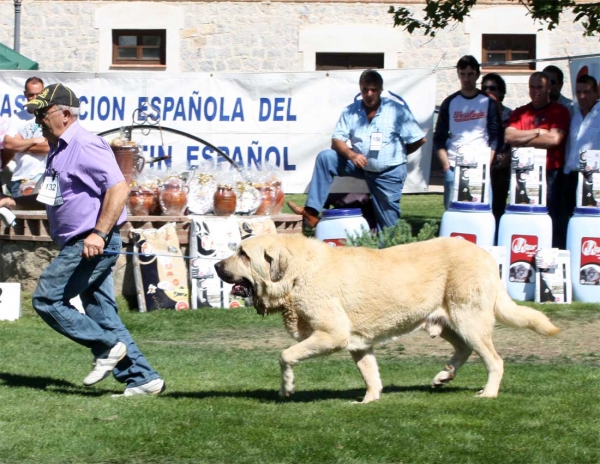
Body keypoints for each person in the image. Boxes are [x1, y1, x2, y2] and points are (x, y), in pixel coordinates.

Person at [25, 83, 165, 396]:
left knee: (47, 298)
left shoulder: (85, 144)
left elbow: (119, 189)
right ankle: (143, 379)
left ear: (64, 114)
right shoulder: (58, 148)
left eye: (42, 113)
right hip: (81, 241)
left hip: (90, 242)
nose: (37, 121)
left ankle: (106, 346)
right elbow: (53, 196)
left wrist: (99, 234)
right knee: (102, 312)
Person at [287, 69, 426, 232]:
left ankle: (386, 251)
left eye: (373, 89)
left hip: (388, 172)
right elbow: (337, 140)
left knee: (389, 227)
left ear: (381, 89)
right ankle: (310, 213)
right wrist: (352, 155)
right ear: (360, 89)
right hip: (360, 165)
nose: (369, 93)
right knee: (326, 158)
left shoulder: (396, 110)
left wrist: (398, 154)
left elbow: (419, 139)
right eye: (365, 89)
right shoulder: (350, 111)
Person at [505, 71, 571, 249]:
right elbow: (509, 136)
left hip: (551, 176)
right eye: (532, 87)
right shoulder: (521, 112)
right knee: (526, 219)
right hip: (524, 174)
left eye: (540, 87)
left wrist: (524, 140)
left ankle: (553, 255)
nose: (536, 91)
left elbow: (554, 140)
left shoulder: (560, 111)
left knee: (553, 221)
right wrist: (538, 132)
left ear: (549, 88)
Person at [433, 55, 501, 210]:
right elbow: (439, 137)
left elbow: (496, 135)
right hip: (454, 166)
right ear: (458, 74)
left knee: (483, 211)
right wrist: (445, 164)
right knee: (453, 211)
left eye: (470, 74)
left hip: (480, 166)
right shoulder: (450, 102)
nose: (466, 78)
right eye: (462, 74)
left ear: (477, 75)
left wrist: (487, 161)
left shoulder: (488, 101)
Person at [3, 77, 50, 197]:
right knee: (19, 214)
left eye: (38, 95)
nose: (35, 98)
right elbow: (8, 144)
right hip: (20, 177)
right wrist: (34, 140)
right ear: (25, 94)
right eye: (31, 95)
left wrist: (19, 144)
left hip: (45, 177)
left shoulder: (50, 116)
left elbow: (49, 148)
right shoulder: (17, 118)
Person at [481, 73, 513, 234]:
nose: (488, 91)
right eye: (484, 88)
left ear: (501, 92)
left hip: (501, 167)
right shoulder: (478, 113)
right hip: (480, 164)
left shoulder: (509, 115)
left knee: (498, 207)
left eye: (492, 88)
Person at [564, 74, 600, 215]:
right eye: (578, 92)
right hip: (571, 176)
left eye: (586, 92)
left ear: (596, 93)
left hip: (592, 176)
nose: (582, 96)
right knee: (568, 218)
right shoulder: (574, 115)